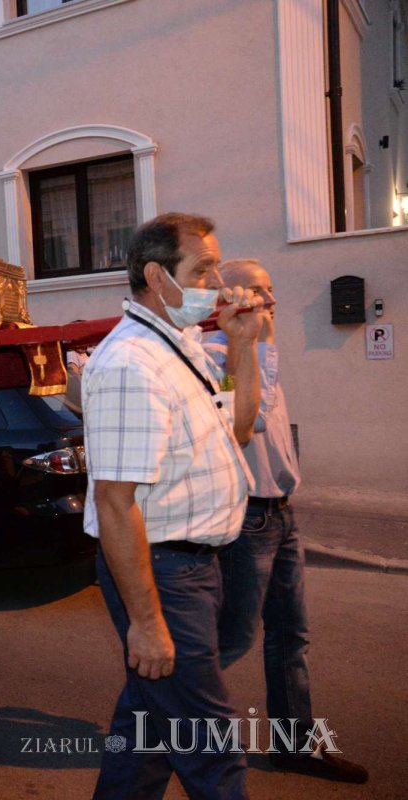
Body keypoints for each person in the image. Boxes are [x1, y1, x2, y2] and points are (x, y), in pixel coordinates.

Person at [82, 213, 266, 799]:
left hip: (194, 566)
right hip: (164, 573)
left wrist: (243, 346)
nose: (218, 284)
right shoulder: (131, 365)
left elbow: (239, 429)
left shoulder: (179, 345)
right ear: (158, 277)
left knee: (147, 739)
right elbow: (114, 504)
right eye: (203, 269)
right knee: (212, 751)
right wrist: (146, 622)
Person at [204, 259, 367, 784]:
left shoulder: (258, 349)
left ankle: (294, 746)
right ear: (227, 297)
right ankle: (159, 713)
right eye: (258, 290)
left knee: (291, 634)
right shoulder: (214, 354)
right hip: (248, 518)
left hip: (281, 512)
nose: (271, 300)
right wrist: (260, 346)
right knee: (232, 640)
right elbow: (249, 418)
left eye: (271, 289)